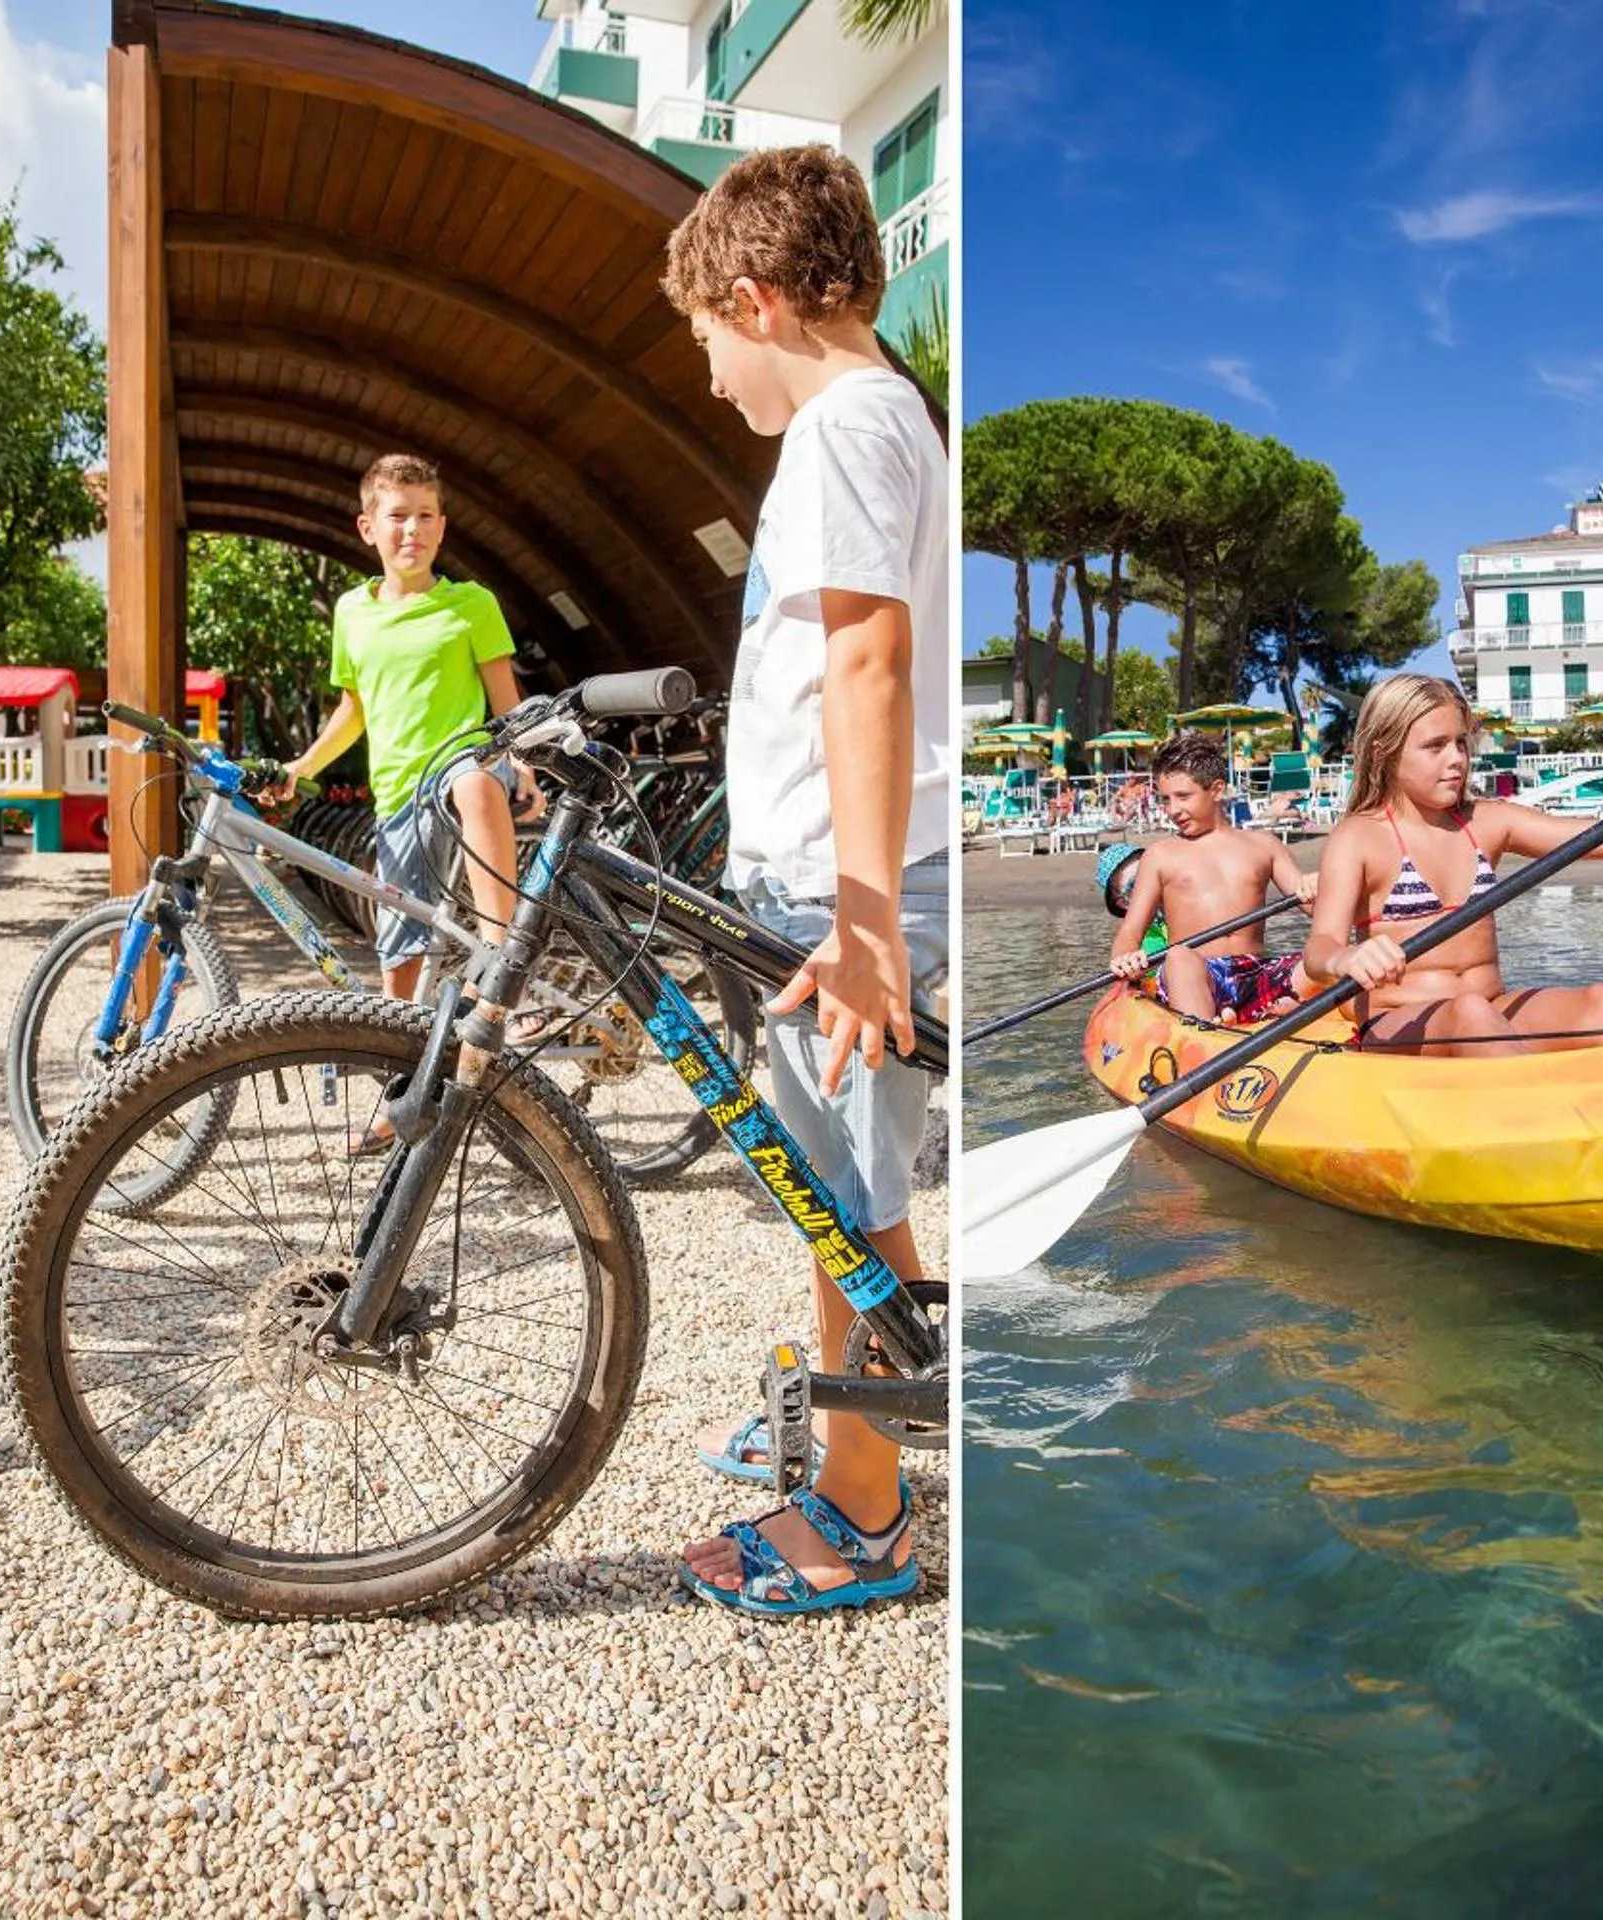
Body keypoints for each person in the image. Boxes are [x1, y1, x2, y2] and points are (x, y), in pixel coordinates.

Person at [659, 143, 951, 1617]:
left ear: (758, 302)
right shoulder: (872, 420)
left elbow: (866, 660)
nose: (711, 376)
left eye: (707, 339)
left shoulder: (842, 427)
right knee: (825, 1184)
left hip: (853, 896)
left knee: (857, 1188)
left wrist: (863, 918)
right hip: (816, 879)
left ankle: (870, 1507)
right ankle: (849, 1419)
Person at [270, 453, 539, 1011]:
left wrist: (527, 767)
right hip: (397, 797)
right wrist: (302, 767)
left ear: (441, 527)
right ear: (368, 528)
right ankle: (410, 1069)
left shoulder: (471, 605)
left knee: (472, 781)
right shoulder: (351, 612)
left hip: (462, 768)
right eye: (397, 516)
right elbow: (354, 710)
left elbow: (507, 707)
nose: (411, 529)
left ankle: (503, 965)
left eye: (424, 515)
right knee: (398, 970)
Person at [1304, 673, 1603, 1055]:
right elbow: (1319, 950)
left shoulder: (1488, 822)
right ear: (1381, 751)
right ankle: (1549, 1109)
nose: (1456, 758)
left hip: (1492, 1006)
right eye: (1435, 746)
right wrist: (1348, 958)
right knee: (1469, 1015)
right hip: (1397, 1021)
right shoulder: (1358, 836)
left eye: (1461, 743)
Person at [1108, 733, 1318, 1023]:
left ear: (1217, 790)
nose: (1172, 810)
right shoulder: (1160, 855)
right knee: (1179, 957)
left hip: (1258, 971)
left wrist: (1319, 888)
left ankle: (1250, 1012)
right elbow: (1131, 932)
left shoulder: (1264, 845)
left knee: (1324, 957)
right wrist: (1125, 958)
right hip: (1199, 973)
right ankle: (1207, 1031)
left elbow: (1318, 910)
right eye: (1165, 800)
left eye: (1183, 797)